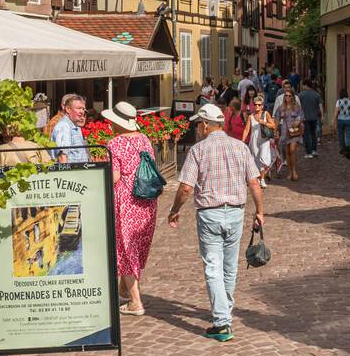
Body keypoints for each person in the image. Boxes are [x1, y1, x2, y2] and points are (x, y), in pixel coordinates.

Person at [167, 103, 264, 342]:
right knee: (229, 268)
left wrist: (174, 210)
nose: (197, 130)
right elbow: (254, 182)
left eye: (198, 125)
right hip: (235, 213)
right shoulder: (240, 147)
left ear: (204, 125)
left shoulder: (198, 151)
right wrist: (260, 211)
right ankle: (224, 311)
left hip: (210, 214)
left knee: (213, 267)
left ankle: (222, 323)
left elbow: (186, 187)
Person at [105, 101, 158, 317]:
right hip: (146, 200)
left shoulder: (115, 143)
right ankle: (124, 290)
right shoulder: (145, 139)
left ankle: (136, 302)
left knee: (124, 249)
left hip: (126, 200)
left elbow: (115, 176)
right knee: (135, 246)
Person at [243, 92, 276, 188]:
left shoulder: (266, 114)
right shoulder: (251, 117)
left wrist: (264, 122)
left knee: (263, 159)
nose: (257, 106)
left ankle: (262, 179)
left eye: (259, 105)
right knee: (255, 160)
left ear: (262, 106)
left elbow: (273, 125)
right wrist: (242, 141)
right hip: (254, 141)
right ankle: (258, 178)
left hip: (264, 140)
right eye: (255, 104)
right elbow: (246, 130)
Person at [51, 93, 90, 165]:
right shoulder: (64, 126)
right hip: (71, 173)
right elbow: (62, 157)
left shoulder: (74, 126)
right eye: (78, 108)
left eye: (83, 109)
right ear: (68, 109)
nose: (82, 112)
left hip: (80, 172)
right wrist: (66, 175)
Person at [277, 86, 305, 182]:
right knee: (287, 153)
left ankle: (294, 171)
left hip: (294, 132)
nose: (287, 97)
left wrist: (298, 121)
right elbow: (276, 120)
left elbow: (302, 117)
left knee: (292, 150)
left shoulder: (297, 107)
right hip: (285, 132)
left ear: (293, 97)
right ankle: (289, 172)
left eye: (289, 96)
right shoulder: (281, 108)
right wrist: (275, 131)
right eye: (286, 96)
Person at [299, 80, 323, 158]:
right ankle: (314, 150)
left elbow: (298, 107)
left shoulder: (301, 95)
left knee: (307, 134)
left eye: (303, 85)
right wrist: (322, 116)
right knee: (313, 133)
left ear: (306, 85)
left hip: (305, 117)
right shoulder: (316, 94)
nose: (302, 87)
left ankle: (308, 152)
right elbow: (320, 106)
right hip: (314, 117)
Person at [335, 88, 350, 158]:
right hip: (349, 120)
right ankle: (348, 151)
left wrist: (333, 119)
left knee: (341, 136)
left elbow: (336, 111)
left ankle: (343, 150)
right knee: (348, 136)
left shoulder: (339, 101)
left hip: (340, 120)